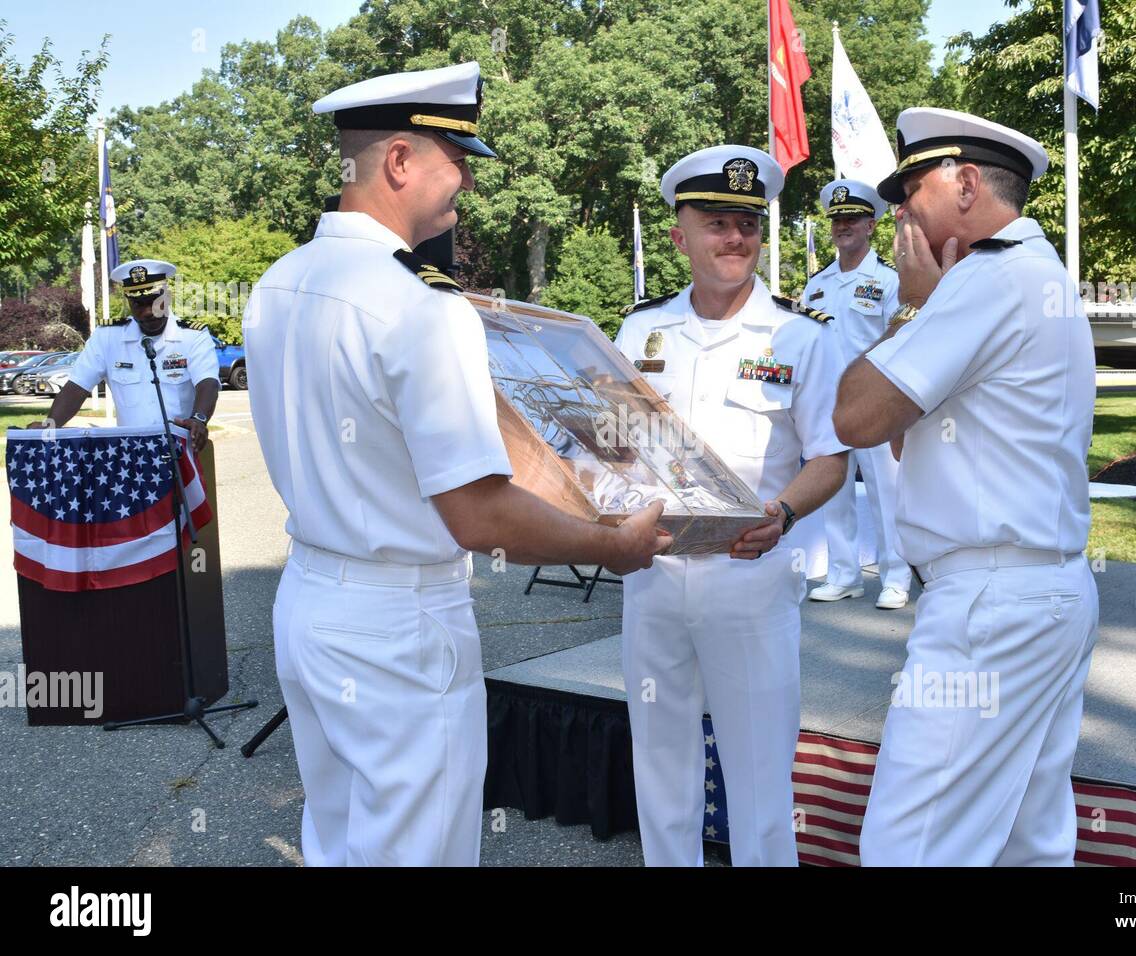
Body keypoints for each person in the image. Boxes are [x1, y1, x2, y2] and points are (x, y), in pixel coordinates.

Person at [242, 62, 670, 867]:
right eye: (455, 157)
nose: (466, 180)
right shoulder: (422, 305)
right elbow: (479, 515)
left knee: (338, 844)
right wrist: (615, 547)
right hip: (400, 624)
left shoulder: (279, 281)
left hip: (310, 602)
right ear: (399, 161)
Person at [833, 107, 1098, 865]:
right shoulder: (1033, 273)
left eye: (911, 187)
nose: (899, 213)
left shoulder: (987, 278)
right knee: (1026, 842)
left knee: (909, 848)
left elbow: (855, 415)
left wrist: (911, 302)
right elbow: (892, 427)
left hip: (989, 605)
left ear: (966, 182)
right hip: (1043, 590)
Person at [614, 145, 849, 866]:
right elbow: (614, 448)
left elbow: (832, 458)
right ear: (679, 235)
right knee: (659, 768)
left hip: (751, 577)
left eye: (747, 223)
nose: (735, 238)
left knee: (759, 780)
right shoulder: (637, 331)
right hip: (652, 577)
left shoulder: (800, 336)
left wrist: (780, 514)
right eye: (716, 222)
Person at [801, 179, 912, 609]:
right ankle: (844, 574)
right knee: (834, 491)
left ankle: (896, 577)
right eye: (837, 220)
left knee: (888, 492)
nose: (843, 226)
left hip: (874, 403)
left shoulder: (888, 281)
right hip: (827, 404)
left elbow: (897, 338)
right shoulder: (817, 285)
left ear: (871, 225)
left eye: (852, 219)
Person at [30, 260, 218, 450]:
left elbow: (207, 382)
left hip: (181, 451)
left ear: (167, 297)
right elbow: (77, 387)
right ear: (128, 302)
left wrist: (199, 419)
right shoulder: (108, 337)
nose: (147, 312)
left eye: (154, 302)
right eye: (138, 304)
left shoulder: (192, 336)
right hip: (130, 455)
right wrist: (50, 425)